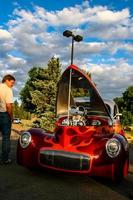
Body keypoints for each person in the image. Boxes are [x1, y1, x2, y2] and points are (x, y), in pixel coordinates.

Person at [0, 74, 15, 164]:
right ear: (7, 80)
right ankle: (5, 159)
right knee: (5, 138)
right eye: (12, 83)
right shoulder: (8, 90)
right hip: (3, 115)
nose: (12, 85)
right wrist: (11, 117)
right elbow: (8, 105)